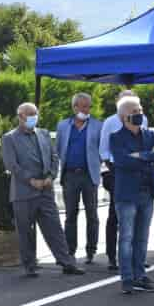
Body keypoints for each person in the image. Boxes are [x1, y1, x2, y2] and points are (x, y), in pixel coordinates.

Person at [2, 103, 84, 279]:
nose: (34, 117)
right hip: (23, 193)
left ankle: (66, 262)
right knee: (25, 231)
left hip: (45, 190)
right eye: (29, 114)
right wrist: (30, 180)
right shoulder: (10, 138)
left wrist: (51, 176)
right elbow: (11, 165)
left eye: (35, 114)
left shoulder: (44, 134)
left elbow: (54, 157)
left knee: (54, 227)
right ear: (20, 116)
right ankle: (30, 265)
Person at [109, 96, 154, 294]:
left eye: (140, 110)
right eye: (134, 112)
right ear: (123, 117)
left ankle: (140, 276)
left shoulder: (149, 134)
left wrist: (141, 156)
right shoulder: (116, 137)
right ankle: (127, 278)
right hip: (127, 194)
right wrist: (147, 157)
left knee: (142, 237)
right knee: (126, 237)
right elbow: (123, 162)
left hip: (147, 192)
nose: (139, 114)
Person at [55, 92, 103, 265]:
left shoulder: (98, 125)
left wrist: (96, 163)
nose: (85, 109)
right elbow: (58, 149)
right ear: (74, 107)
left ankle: (91, 250)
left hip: (89, 175)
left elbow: (102, 149)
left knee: (92, 215)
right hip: (70, 175)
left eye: (88, 106)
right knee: (70, 215)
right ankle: (70, 250)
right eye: (82, 106)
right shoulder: (63, 125)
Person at [99, 88, 142, 272]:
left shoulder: (143, 120)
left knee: (138, 215)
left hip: (137, 169)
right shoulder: (110, 122)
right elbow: (103, 150)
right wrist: (113, 167)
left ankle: (136, 256)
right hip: (117, 171)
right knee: (116, 215)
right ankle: (112, 256)